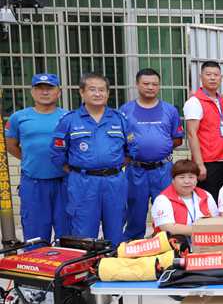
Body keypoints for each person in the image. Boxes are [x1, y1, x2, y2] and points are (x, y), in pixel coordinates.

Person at [51, 72, 131, 246]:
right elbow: (57, 153)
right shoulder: (69, 120)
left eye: (102, 90)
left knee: (116, 229)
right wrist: (75, 170)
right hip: (83, 182)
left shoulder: (119, 119)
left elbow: (131, 149)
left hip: (114, 182)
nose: (97, 94)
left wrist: (113, 166)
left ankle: (113, 261)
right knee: (83, 231)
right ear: (82, 92)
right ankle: (87, 263)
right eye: (92, 89)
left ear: (108, 93)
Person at [120, 68, 184, 240]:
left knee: (165, 210)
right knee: (135, 210)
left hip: (163, 170)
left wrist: (159, 147)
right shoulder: (125, 110)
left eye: (154, 84)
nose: (150, 87)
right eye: (146, 83)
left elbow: (178, 139)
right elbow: (120, 140)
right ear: (137, 84)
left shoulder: (170, 110)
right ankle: (133, 244)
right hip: (136, 170)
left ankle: (166, 244)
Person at [5, 73, 68, 242]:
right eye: (40, 88)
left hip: (64, 183)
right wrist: (31, 160)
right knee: (35, 236)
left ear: (58, 92)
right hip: (33, 184)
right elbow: (11, 145)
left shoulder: (68, 117)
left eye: (50, 88)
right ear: (32, 92)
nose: (45, 92)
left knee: (67, 235)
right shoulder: (19, 117)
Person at [184, 60, 223, 199]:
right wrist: (199, 164)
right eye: (208, 74)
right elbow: (191, 134)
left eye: (216, 75)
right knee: (208, 201)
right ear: (201, 77)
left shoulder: (221, 101)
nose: (212, 78)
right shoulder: (195, 102)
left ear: (221, 78)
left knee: (220, 200)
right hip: (207, 162)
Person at [151, 159, 219, 235]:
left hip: (204, 241)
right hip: (174, 241)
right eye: (182, 177)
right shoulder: (163, 199)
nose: (187, 181)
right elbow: (168, 228)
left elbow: (216, 221)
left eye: (191, 177)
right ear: (173, 180)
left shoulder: (206, 195)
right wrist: (202, 230)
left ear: (196, 180)